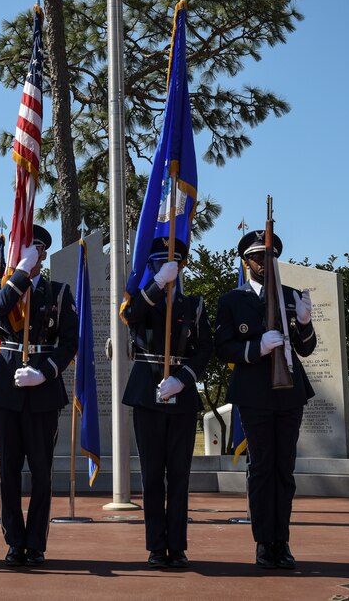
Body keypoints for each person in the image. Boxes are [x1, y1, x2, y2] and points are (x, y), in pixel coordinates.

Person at [213, 229, 316, 570]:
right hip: (254, 393)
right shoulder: (231, 300)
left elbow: (305, 348)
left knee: (283, 469)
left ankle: (282, 541)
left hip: (289, 393)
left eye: (270, 256)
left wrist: (304, 321)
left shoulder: (289, 295)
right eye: (258, 257)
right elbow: (223, 347)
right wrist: (256, 348)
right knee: (260, 468)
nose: (264, 262)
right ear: (246, 262)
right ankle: (263, 543)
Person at [0, 224, 78, 567]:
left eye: (35, 247)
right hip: (7, 386)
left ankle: (35, 542)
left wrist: (45, 372)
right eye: (23, 247)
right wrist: (20, 273)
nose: (29, 253)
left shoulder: (59, 292)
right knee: (8, 469)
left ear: (44, 253)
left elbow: (69, 343)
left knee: (41, 469)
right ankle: (14, 541)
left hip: (42, 388)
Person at [121, 237, 213, 569]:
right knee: (151, 476)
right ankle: (156, 546)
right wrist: (158, 285)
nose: (168, 269)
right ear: (153, 268)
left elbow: (204, 348)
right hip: (147, 394)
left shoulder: (193, 305)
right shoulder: (140, 300)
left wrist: (182, 379)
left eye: (171, 265)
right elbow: (132, 316)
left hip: (183, 396)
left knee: (179, 476)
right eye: (160, 265)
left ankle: (178, 545)